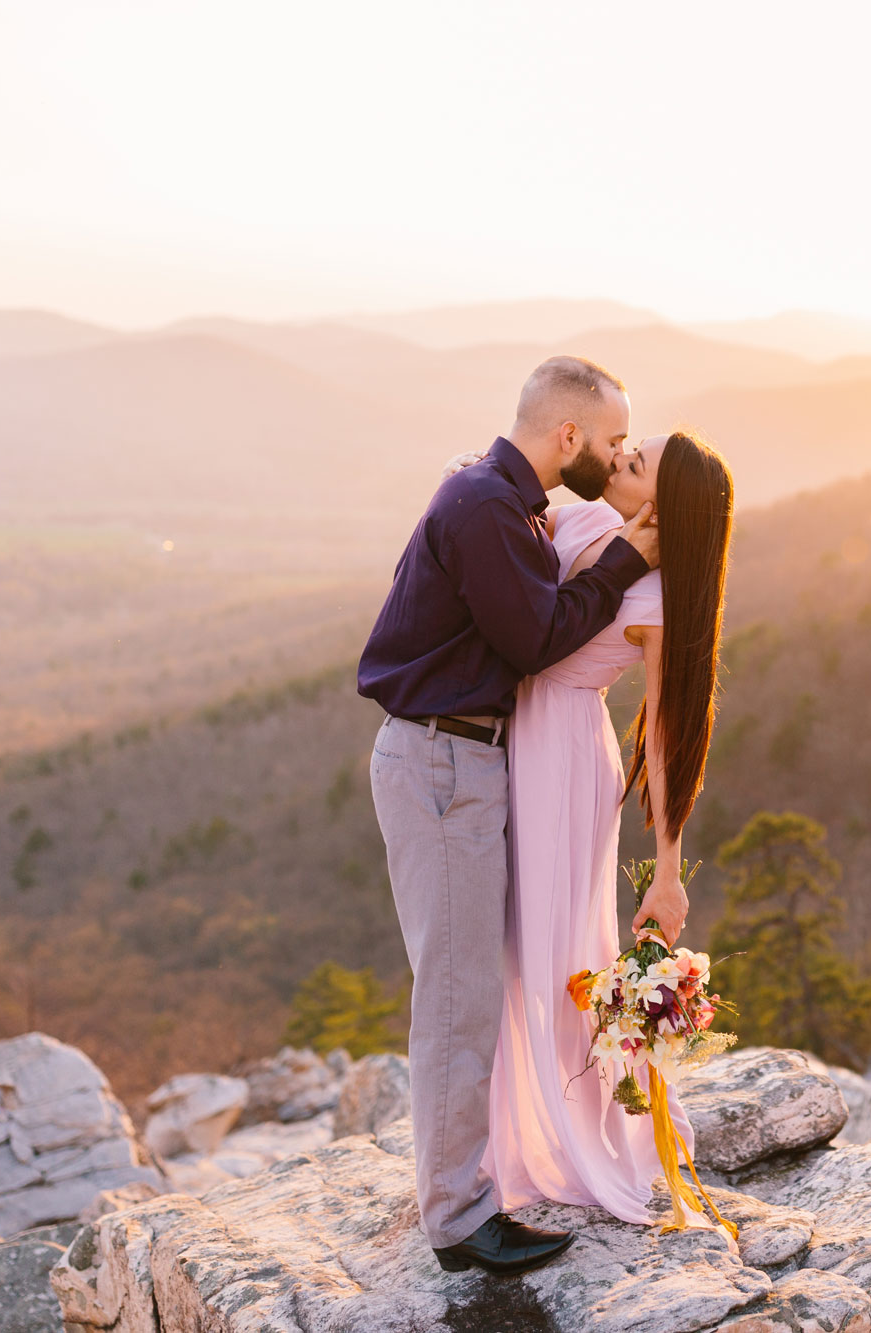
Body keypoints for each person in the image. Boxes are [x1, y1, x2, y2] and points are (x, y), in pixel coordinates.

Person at [358, 356, 659, 1278]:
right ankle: (456, 1217)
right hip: (444, 759)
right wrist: (625, 561)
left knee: (468, 987)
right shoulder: (487, 505)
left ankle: (472, 1181)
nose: (613, 461)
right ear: (566, 435)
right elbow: (533, 637)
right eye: (608, 442)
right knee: (457, 997)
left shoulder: (498, 497)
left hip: (461, 757)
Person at [482, 429, 735, 1225]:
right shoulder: (580, 523)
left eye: (634, 464)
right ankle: (507, 1129)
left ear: (665, 503)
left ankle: (561, 1132)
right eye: (626, 450)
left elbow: (665, 735)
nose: (615, 464)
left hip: (563, 758)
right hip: (505, 735)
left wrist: (668, 867)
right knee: (499, 944)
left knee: (551, 951)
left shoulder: (657, 601)